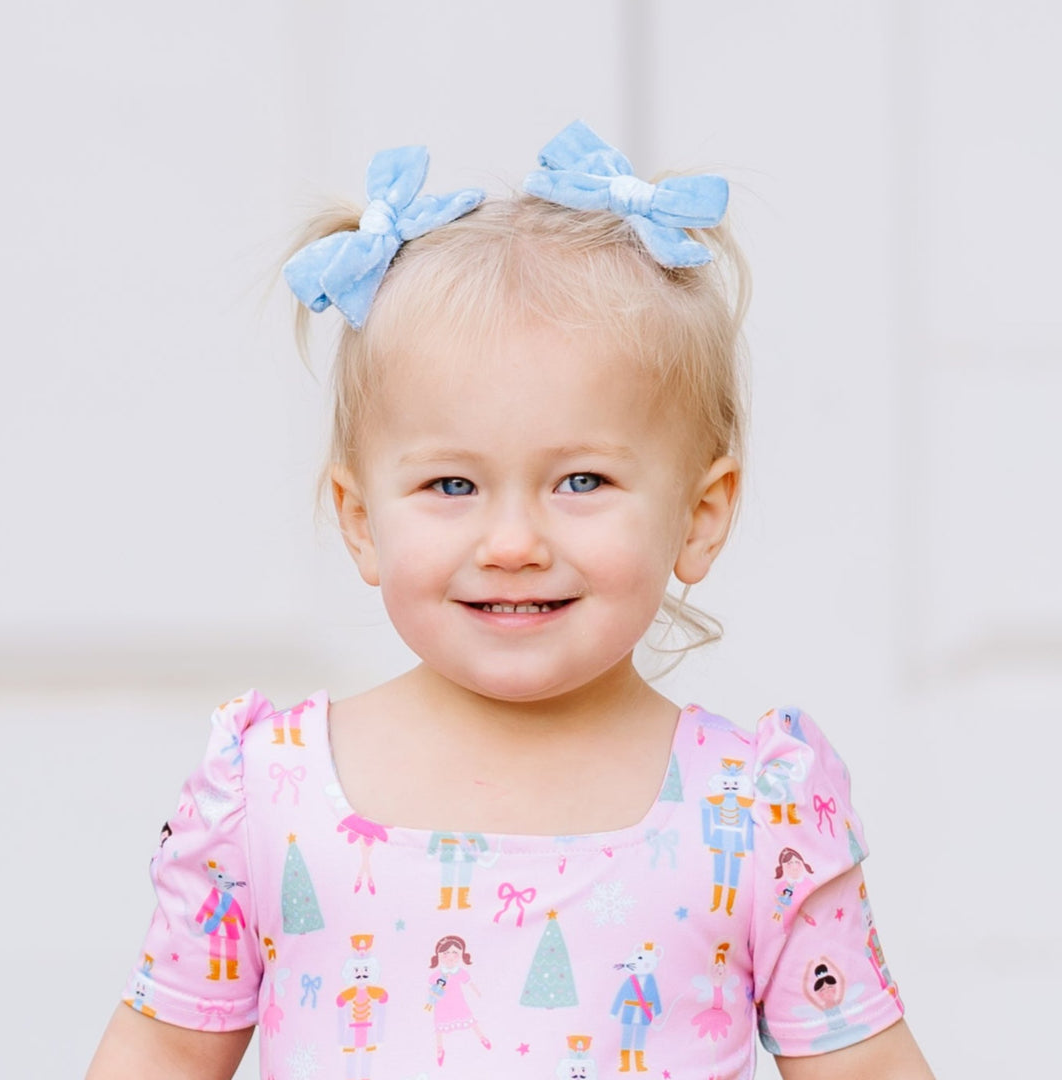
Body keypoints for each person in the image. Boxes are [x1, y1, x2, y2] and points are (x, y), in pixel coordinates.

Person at [86, 121, 934, 1080]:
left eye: (581, 482)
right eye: (453, 487)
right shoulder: (265, 795)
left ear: (700, 516)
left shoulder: (758, 813)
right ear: (361, 521)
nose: (515, 545)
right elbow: (158, 1052)